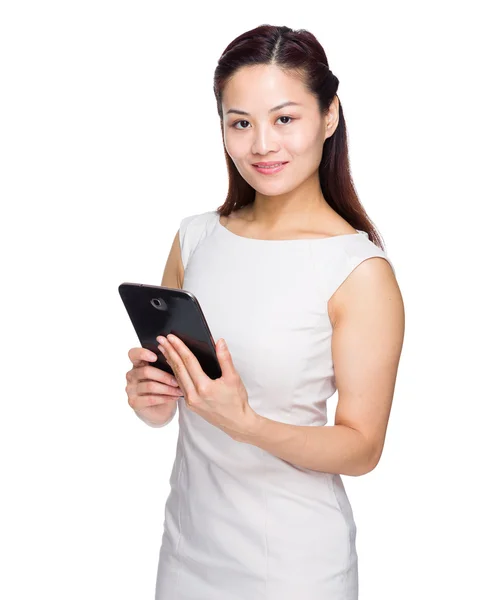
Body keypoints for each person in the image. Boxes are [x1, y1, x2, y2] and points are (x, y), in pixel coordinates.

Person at [125, 24, 405, 600]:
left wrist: (248, 424)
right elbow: (174, 403)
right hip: (187, 550)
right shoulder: (196, 238)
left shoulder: (358, 271)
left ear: (328, 117)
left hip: (295, 566)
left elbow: (362, 447)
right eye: (240, 122)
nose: (262, 146)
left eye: (285, 118)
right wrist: (151, 398)